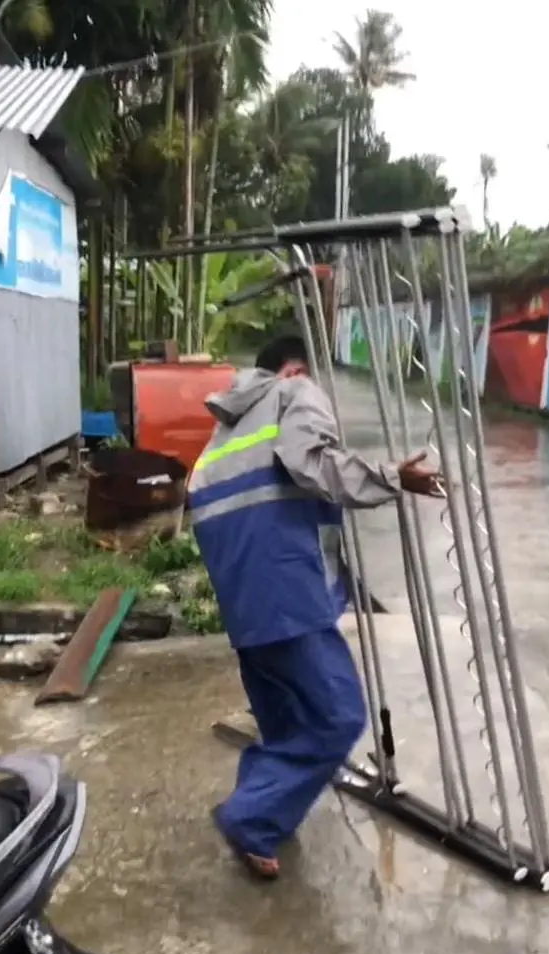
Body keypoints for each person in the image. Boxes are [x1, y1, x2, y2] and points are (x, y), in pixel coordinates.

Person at [189, 334, 442, 880]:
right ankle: (252, 816)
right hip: (286, 592)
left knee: (284, 721)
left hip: (244, 600)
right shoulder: (294, 391)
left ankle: (257, 808)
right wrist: (395, 478)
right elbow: (311, 464)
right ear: (297, 367)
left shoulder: (228, 427)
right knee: (338, 716)